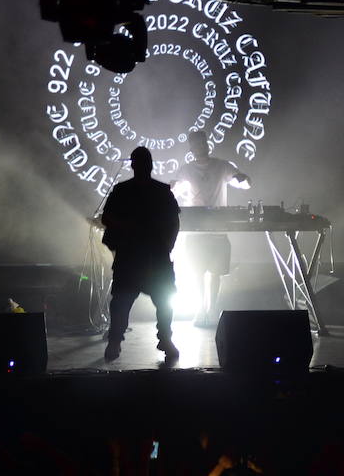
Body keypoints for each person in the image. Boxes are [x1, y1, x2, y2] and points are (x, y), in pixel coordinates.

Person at [99, 146, 180, 363]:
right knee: (155, 300)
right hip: (142, 255)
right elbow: (174, 222)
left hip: (140, 256)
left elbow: (106, 218)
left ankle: (117, 341)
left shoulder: (126, 190)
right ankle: (160, 339)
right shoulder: (155, 191)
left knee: (127, 302)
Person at [175, 130, 251, 327]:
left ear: (207, 144)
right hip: (196, 230)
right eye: (197, 144)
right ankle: (201, 309)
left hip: (218, 229)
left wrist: (243, 179)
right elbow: (175, 190)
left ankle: (212, 308)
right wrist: (172, 187)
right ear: (191, 148)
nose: (201, 146)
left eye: (203, 142)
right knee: (197, 272)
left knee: (215, 272)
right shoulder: (186, 170)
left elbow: (244, 183)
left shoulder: (222, 166)